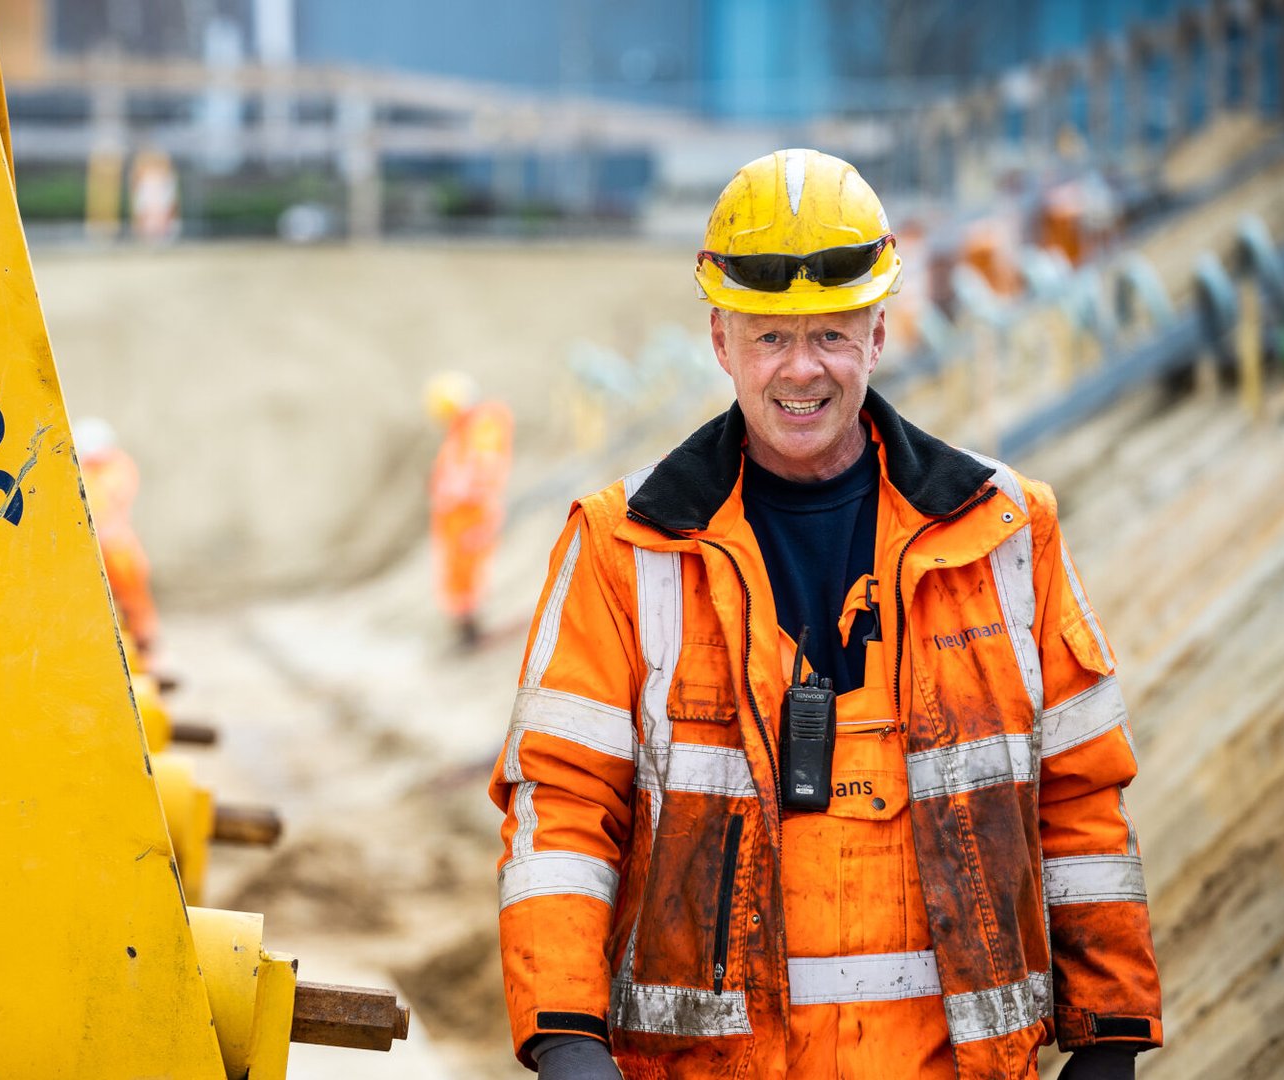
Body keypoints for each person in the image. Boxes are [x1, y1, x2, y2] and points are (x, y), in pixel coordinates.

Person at [490, 149, 1160, 1080]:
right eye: (768, 337)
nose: (801, 369)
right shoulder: (626, 546)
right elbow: (561, 807)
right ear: (719, 340)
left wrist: (1110, 1032)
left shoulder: (1004, 530)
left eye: (833, 336)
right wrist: (566, 1032)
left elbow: (1080, 798)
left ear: (879, 335)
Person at [425, 372, 514, 648]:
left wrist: (467, 494)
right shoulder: (462, 429)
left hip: (471, 509)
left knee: (468, 567)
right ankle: (464, 625)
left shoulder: (482, 424)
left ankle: (470, 628)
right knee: (456, 570)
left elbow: (483, 466)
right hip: (456, 511)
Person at [76, 417, 160, 661]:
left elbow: (107, 504)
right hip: (97, 551)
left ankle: (148, 654)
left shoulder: (117, 468)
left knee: (135, 605)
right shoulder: (85, 470)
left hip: (117, 549)